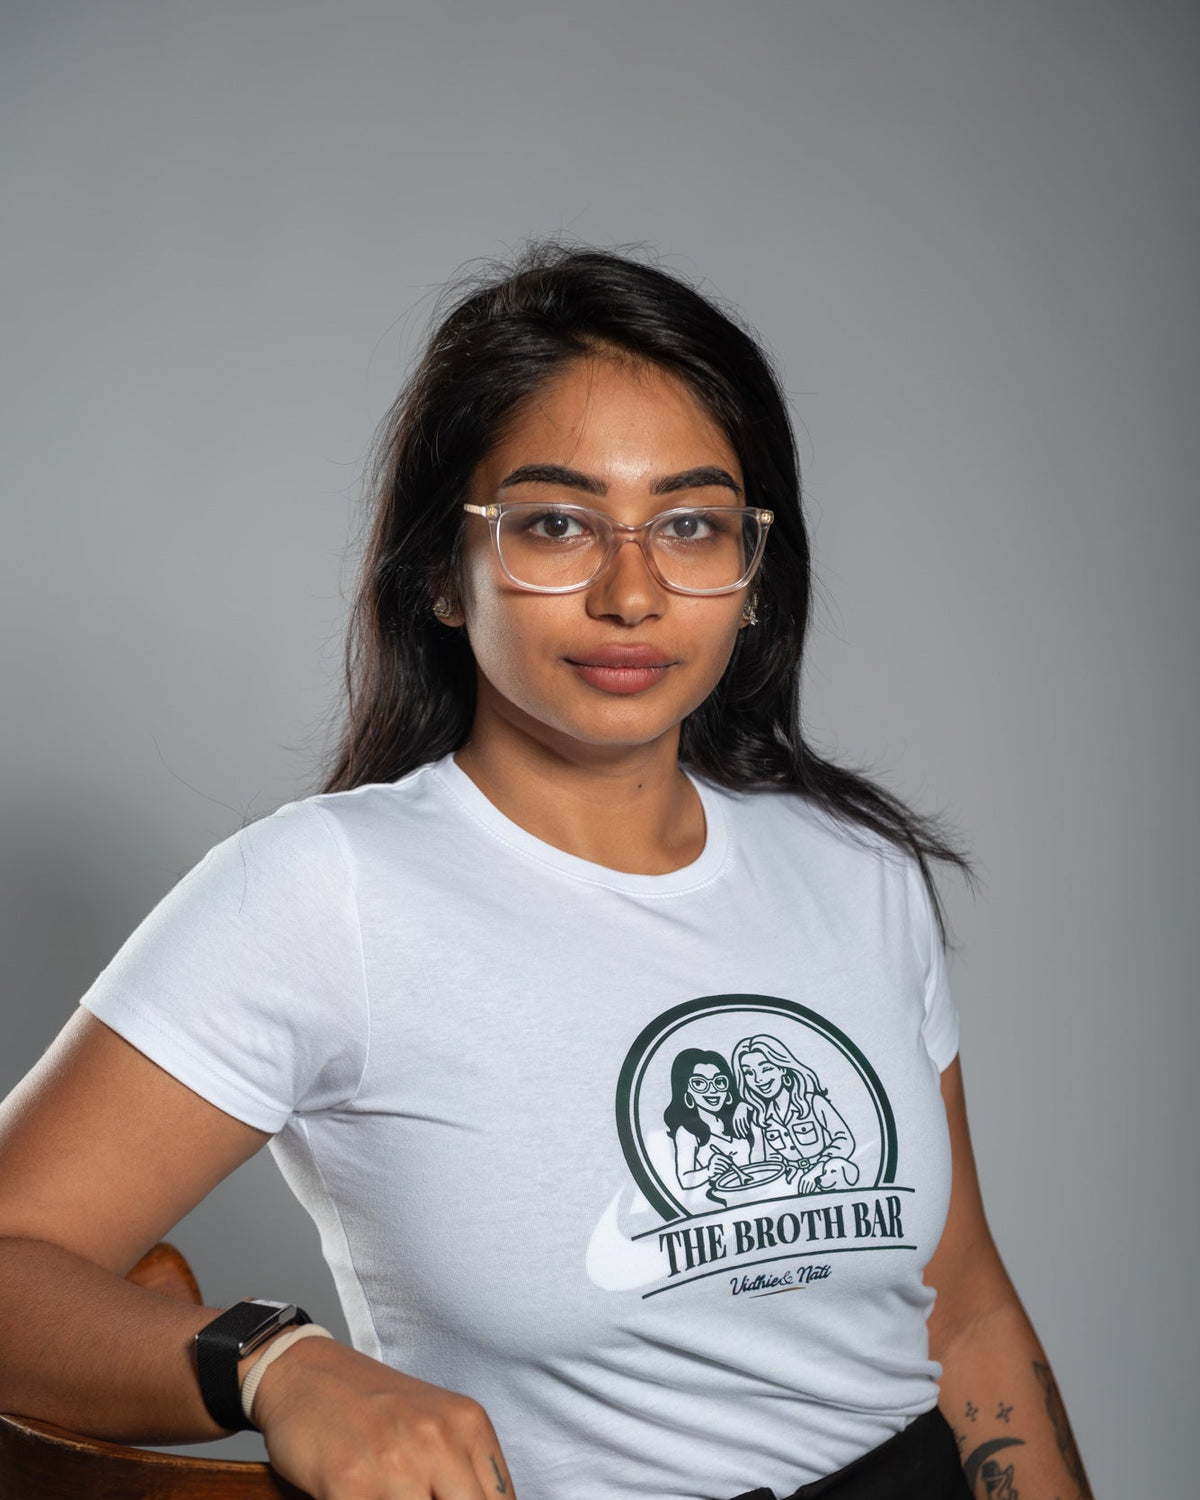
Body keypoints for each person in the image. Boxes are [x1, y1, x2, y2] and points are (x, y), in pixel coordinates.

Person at [0, 245, 1094, 1500]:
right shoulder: (322, 895)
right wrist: (272, 1361)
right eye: (557, 523)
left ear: (750, 576)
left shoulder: (856, 869)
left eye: (690, 524)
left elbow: (964, 1316)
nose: (632, 592)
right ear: (439, 576)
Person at [731, 1034, 860, 1193]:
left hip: (827, 1178)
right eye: (749, 1073)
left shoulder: (813, 1102)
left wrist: (818, 1168)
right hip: (792, 1184)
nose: (758, 1079)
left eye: (766, 1068)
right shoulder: (761, 1117)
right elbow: (766, 1160)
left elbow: (844, 1140)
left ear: (782, 1068)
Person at [663, 1048, 754, 1195]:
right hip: (722, 1203)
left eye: (719, 1082)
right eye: (699, 1083)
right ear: (685, 1091)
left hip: (757, 1194)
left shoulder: (740, 1118)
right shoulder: (687, 1132)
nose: (712, 1090)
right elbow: (684, 1180)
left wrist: (745, 1105)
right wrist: (708, 1171)